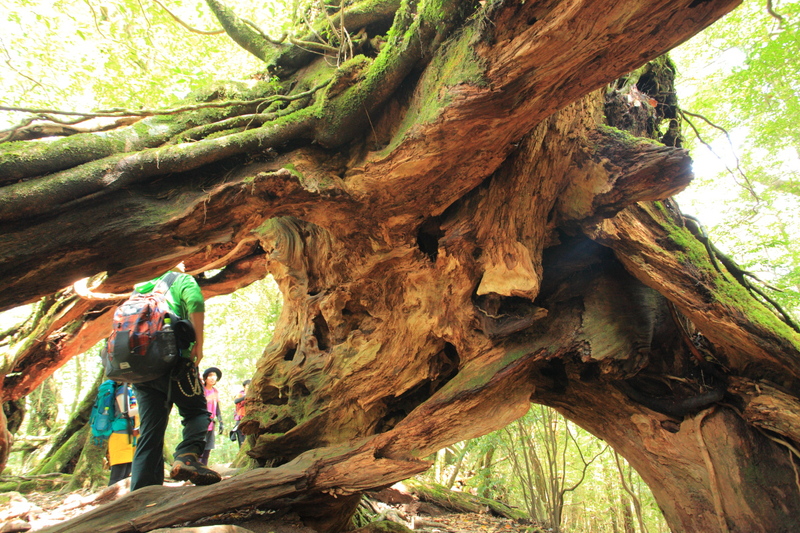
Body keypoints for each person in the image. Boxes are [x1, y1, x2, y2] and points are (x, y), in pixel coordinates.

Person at [129, 264, 221, 490]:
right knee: (197, 411)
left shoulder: (140, 288)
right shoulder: (182, 280)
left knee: (150, 432)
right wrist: (198, 344)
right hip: (173, 362)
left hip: (140, 369)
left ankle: (143, 493)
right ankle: (187, 456)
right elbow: (196, 304)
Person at [108, 382, 139, 485]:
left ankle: (121, 499)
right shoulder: (122, 390)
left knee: (126, 473)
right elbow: (126, 412)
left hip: (130, 436)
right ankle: (110, 499)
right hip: (119, 436)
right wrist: (146, 406)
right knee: (118, 474)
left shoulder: (131, 390)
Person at [200, 367, 224, 465]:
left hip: (211, 423)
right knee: (200, 446)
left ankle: (204, 467)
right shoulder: (201, 390)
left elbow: (217, 407)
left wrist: (221, 421)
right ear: (205, 378)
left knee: (208, 447)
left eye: (214, 376)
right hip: (201, 422)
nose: (212, 378)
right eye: (210, 376)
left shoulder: (215, 391)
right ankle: (197, 468)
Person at [232, 379, 250, 447]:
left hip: (249, 417)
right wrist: (245, 397)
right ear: (244, 386)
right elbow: (236, 401)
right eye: (247, 385)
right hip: (241, 417)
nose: (249, 387)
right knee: (242, 437)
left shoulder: (253, 394)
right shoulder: (240, 394)